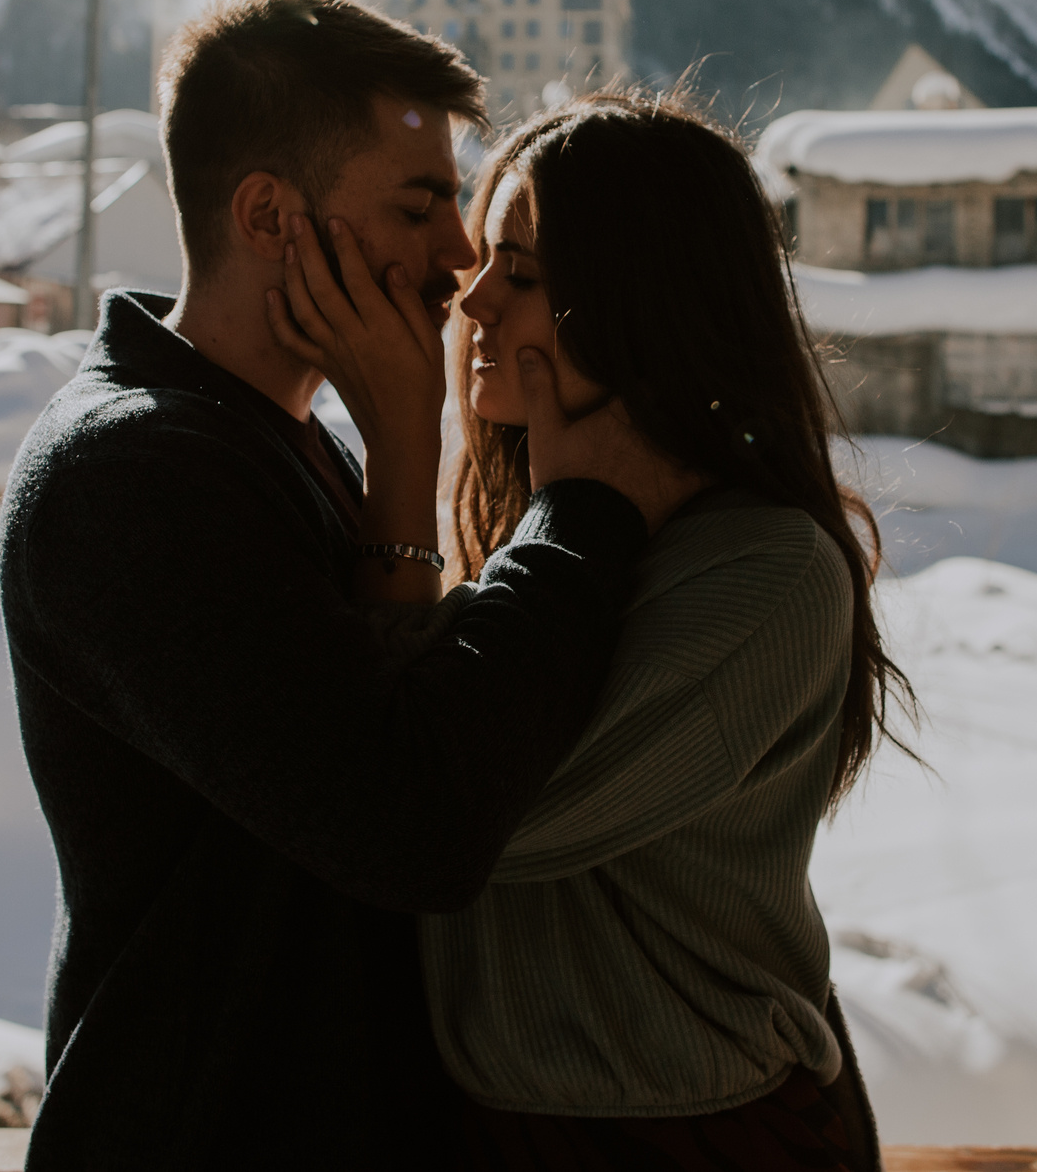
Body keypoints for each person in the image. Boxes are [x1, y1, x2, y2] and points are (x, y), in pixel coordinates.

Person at [0, 0, 703, 1168]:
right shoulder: (129, 476)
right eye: (420, 206)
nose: (458, 256)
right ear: (271, 216)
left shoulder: (281, 441)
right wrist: (586, 505)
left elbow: (391, 712)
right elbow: (410, 827)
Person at [275, 92, 911, 1171]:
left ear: (642, 302)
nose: (470, 301)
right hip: (517, 1124)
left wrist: (399, 447)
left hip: (692, 1135)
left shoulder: (765, 574)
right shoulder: (557, 538)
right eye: (484, 262)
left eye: (520, 273)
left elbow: (445, 818)